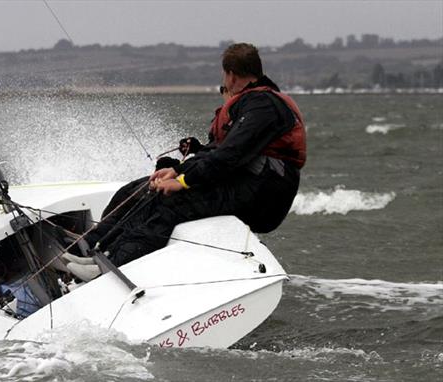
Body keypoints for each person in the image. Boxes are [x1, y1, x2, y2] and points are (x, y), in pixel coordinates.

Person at [66, 43, 306, 281]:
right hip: (245, 183)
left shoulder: (264, 105)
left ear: (230, 75)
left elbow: (230, 155)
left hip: (264, 197)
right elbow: (220, 154)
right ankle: (91, 249)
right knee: (143, 189)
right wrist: (176, 169)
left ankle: (109, 268)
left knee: (173, 202)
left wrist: (183, 181)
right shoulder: (253, 103)